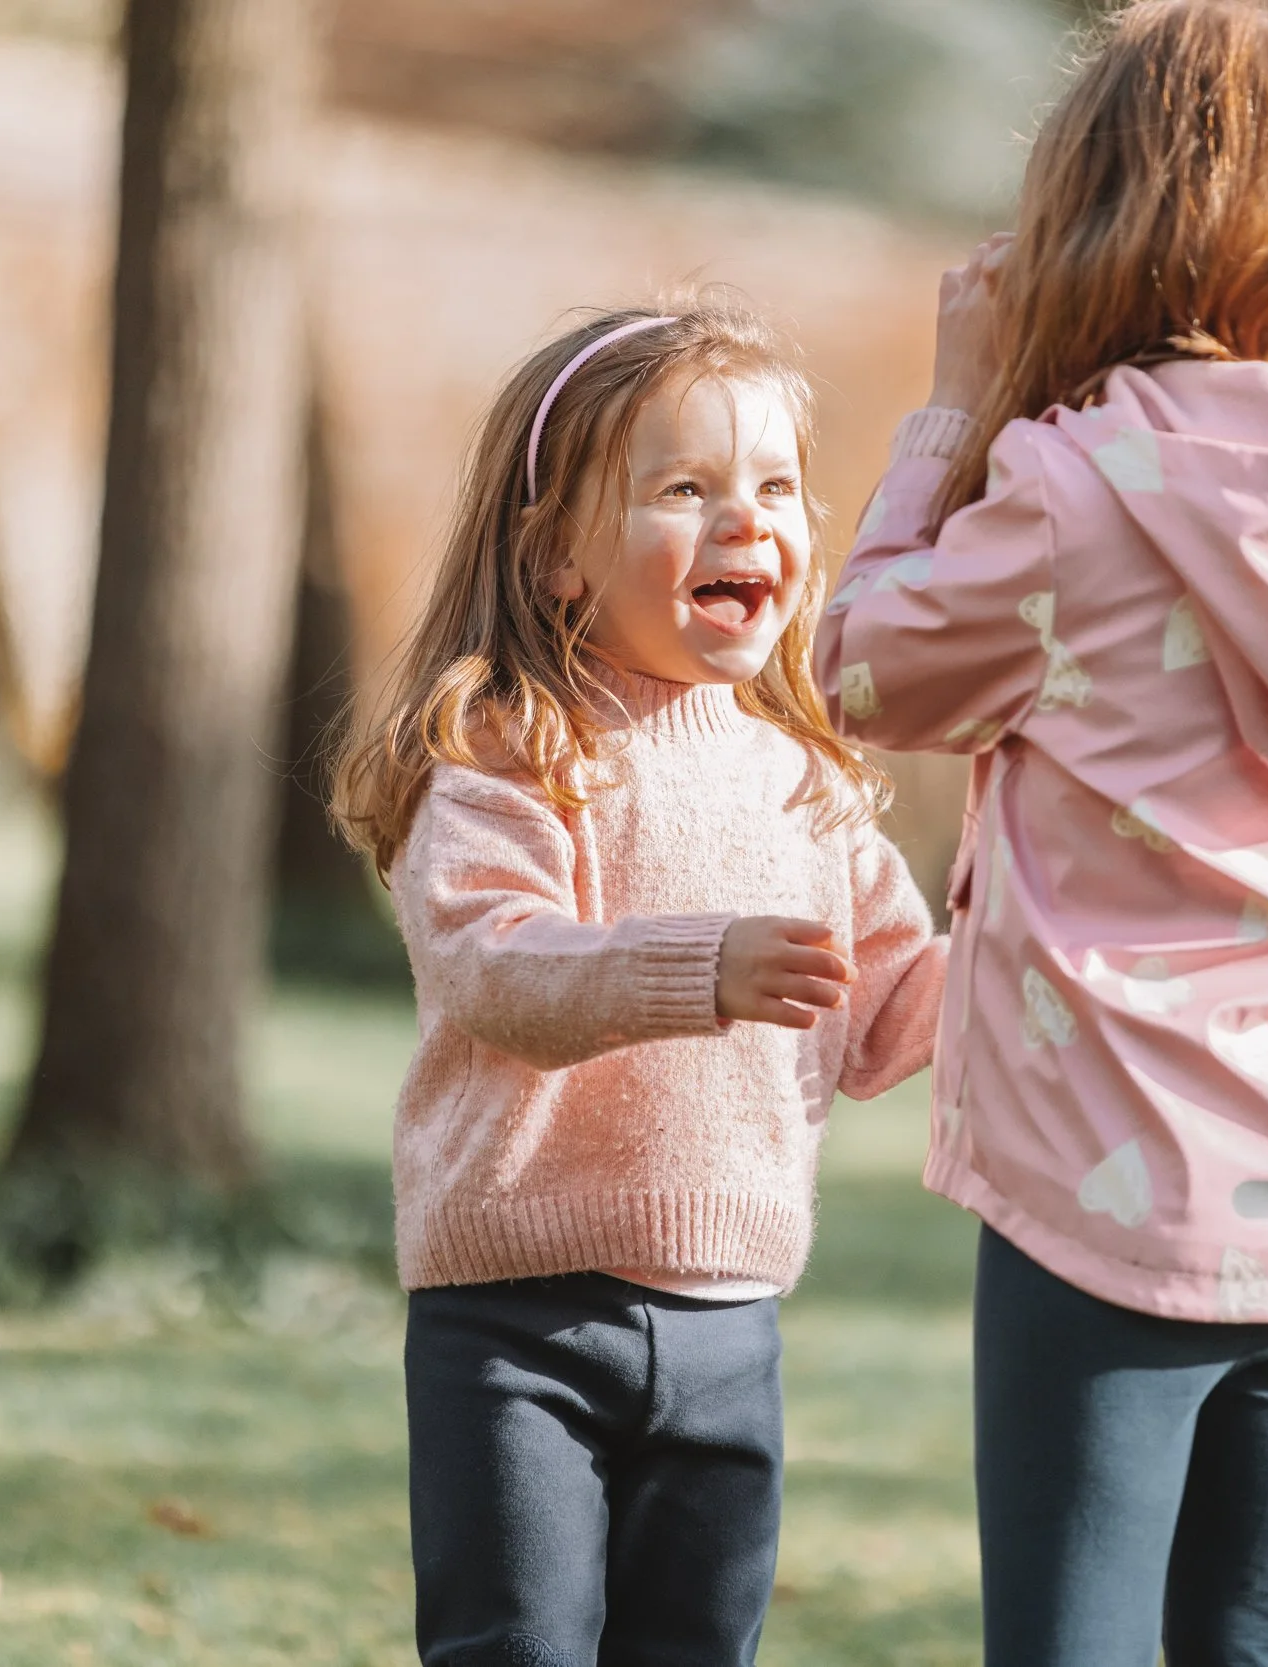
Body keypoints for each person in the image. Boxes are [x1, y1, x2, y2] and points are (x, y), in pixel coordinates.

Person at [813, 3, 1268, 1662]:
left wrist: (951, 414)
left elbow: (860, 668)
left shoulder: (1077, 491)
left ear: (1111, 219)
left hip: (1112, 1184)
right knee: (1255, 1634)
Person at [333, 299, 947, 1667]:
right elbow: (493, 966)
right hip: (517, 1318)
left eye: (776, 487)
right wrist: (703, 967)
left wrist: (1033, 962)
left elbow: (893, 1000)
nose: (747, 523)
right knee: (519, 1646)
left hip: (733, 1325)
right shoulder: (509, 747)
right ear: (555, 551)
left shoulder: (811, 775)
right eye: (686, 489)